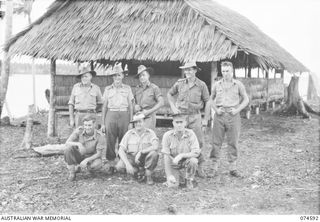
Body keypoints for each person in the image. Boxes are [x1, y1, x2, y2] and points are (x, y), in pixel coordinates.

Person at [205, 59, 249, 177]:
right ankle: (213, 167)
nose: (225, 73)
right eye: (223, 71)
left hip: (233, 115)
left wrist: (237, 110)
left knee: (233, 142)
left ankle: (233, 168)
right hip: (219, 115)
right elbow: (210, 99)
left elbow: (246, 99)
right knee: (216, 142)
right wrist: (216, 109)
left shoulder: (238, 84)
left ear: (232, 71)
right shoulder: (216, 84)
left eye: (228, 71)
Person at [167, 61, 210, 178]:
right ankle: (177, 165)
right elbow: (169, 94)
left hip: (195, 117)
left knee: (199, 142)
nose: (187, 72)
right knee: (178, 140)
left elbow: (208, 101)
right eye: (186, 70)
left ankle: (199, 167)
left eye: (190, 69)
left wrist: (205, 119)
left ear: (195, 70)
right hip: (181, 116)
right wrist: (173, 106)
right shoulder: (179, 83)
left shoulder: (201, 85)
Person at [101, 63, 134, 173]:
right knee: (110, 139)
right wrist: (103, 123)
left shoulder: (127, 88)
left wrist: (131, 121)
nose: (117, 78)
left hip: (124, 115)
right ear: (112, 77)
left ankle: (121, 162)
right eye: (114, 75)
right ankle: (111, 163)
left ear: (122, 76)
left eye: (119, 75)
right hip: (111, 114)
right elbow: (104, 106)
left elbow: (130, 106)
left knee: (123, 139)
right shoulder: (107, 89)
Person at [116, 112, 159, 185]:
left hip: (144, 159)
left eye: (140, 122)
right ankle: (137, 172)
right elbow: (121, 150)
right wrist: (127, 164)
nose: (138, 124)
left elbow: (156, 146)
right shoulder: (129, 133)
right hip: (132, 159)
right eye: (135, 122)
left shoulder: (150, 133)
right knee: (119, 166)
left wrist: (141, 152)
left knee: (154, 154)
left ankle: (148, 174)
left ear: (144, 122)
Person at [161, 113, 201, 189]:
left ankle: (189, 179)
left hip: (186, 161)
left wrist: (181, 155)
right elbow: (166, 156)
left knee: (193, 161)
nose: (179, 125)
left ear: (185, 123)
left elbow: (196, 153)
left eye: (181, 122)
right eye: (177, 122)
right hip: (173, 163)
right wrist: (169, 175)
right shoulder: (167, 135)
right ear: (173, 123)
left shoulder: (191, 134)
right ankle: (178, 176)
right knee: (173, 186)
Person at [64, 115, 105, 181]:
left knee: (97, 165)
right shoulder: (79, 130)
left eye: (89, 125)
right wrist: (79, 144)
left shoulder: (100, 136)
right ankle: (72, 172)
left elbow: (98, 154)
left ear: (94, 124)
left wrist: (87, 160)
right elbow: (67, 142)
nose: (87, 127)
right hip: (80, 154)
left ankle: (89, 169)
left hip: (91, 157)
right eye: (85, 125)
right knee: (68, 149)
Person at [133, 65, 164, 130]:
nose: (142, 77)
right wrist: (135, 106)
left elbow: (161, 102)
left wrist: (149, 111)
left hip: (149, 117)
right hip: (139, 116)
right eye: (140, 76)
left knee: (148, 136)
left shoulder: (154, 88)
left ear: (148, 75)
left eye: (143, 75)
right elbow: (133, 101)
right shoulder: (137, 88)